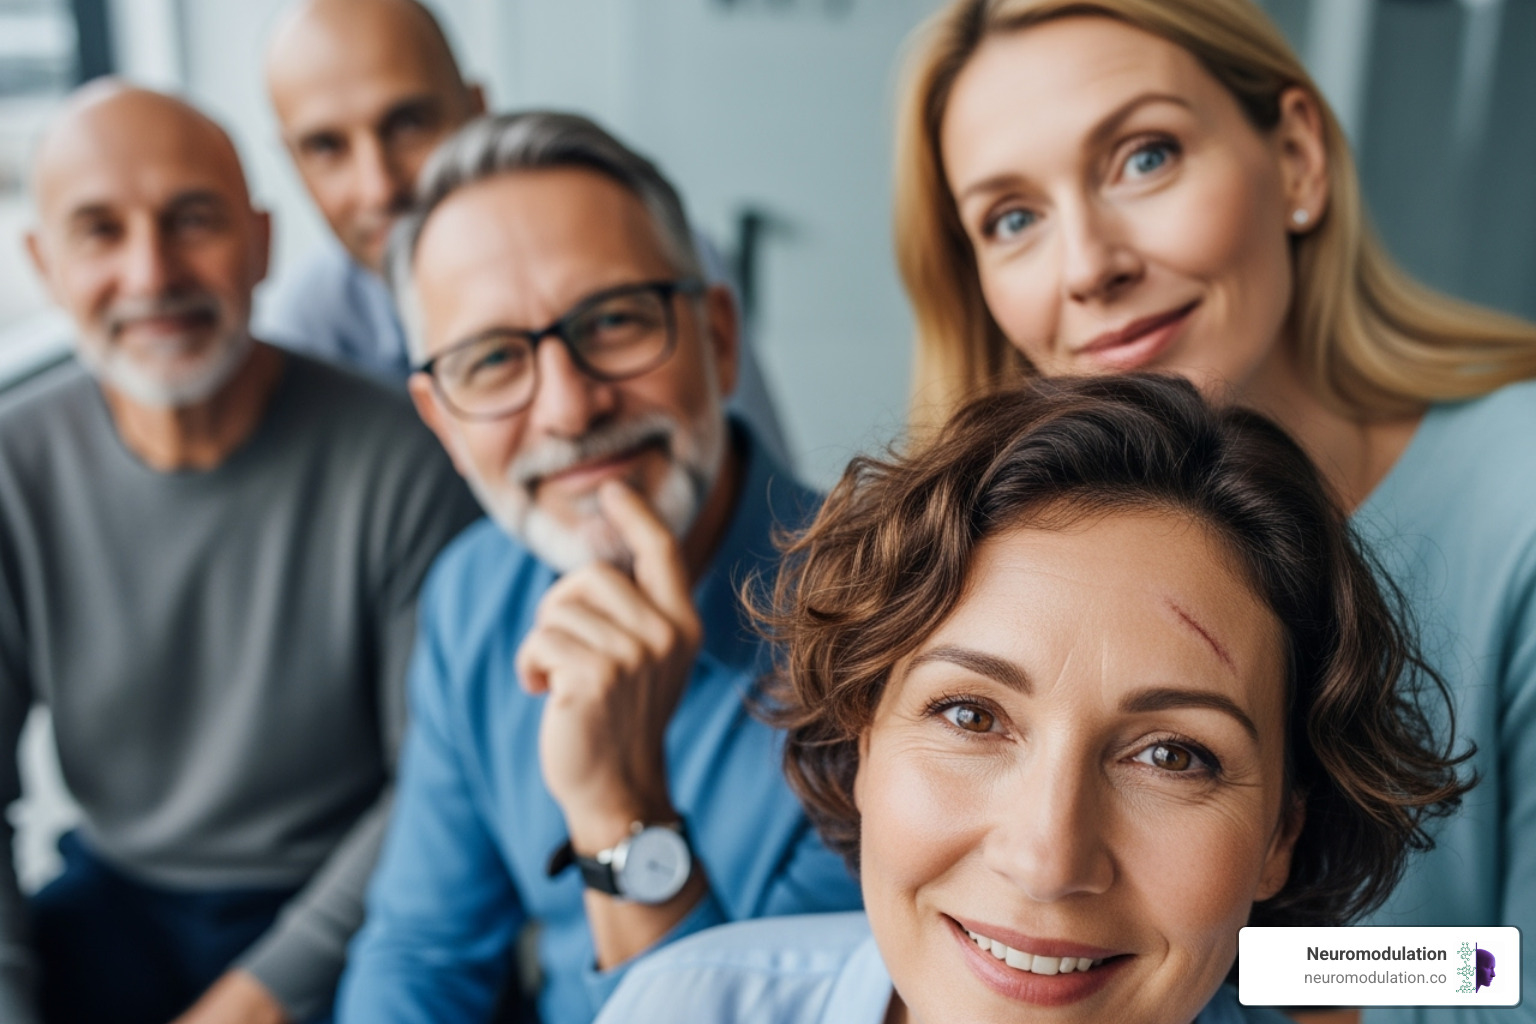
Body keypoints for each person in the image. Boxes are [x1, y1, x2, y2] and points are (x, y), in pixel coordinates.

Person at [892, 1, 1536, 1019]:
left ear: (1295, 159)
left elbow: (1498, 971)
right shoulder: (983, 549)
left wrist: (1254, 966)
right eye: (1013, 218)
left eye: (1144, 158)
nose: (1088, 263)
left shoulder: (1520, 502)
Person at [595, 373, 1471, 1024]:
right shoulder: (683, 1002)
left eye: (1171, 754)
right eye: (970, 715)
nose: (1048, 859)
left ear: (1283, 832)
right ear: (864, 744)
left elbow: (1469, 967)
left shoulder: (1395, 973)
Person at [334, 111, 862, 1024]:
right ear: (443, 422)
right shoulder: (472, 594)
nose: (570, 410)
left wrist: (621, 807)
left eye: (614, 321)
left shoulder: (893, 623)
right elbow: (421, 954)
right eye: (494, 360)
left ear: (719, 338)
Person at [1, 82, 480, 1024]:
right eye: (101, 231)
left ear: (261, 242)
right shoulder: (13, 467)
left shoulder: (404, 457)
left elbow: (436, 786)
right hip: (121, 898)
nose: (151, 274)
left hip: (360, 902)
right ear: (44, 266)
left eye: (192, 220)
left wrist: (259, 1000)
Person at [259, 0, 794, 468]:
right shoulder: (301, 335)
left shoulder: (642, 252)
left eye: (409, 124)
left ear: (477, 110)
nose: (379, 188)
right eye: (328, 148)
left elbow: (766, 510)